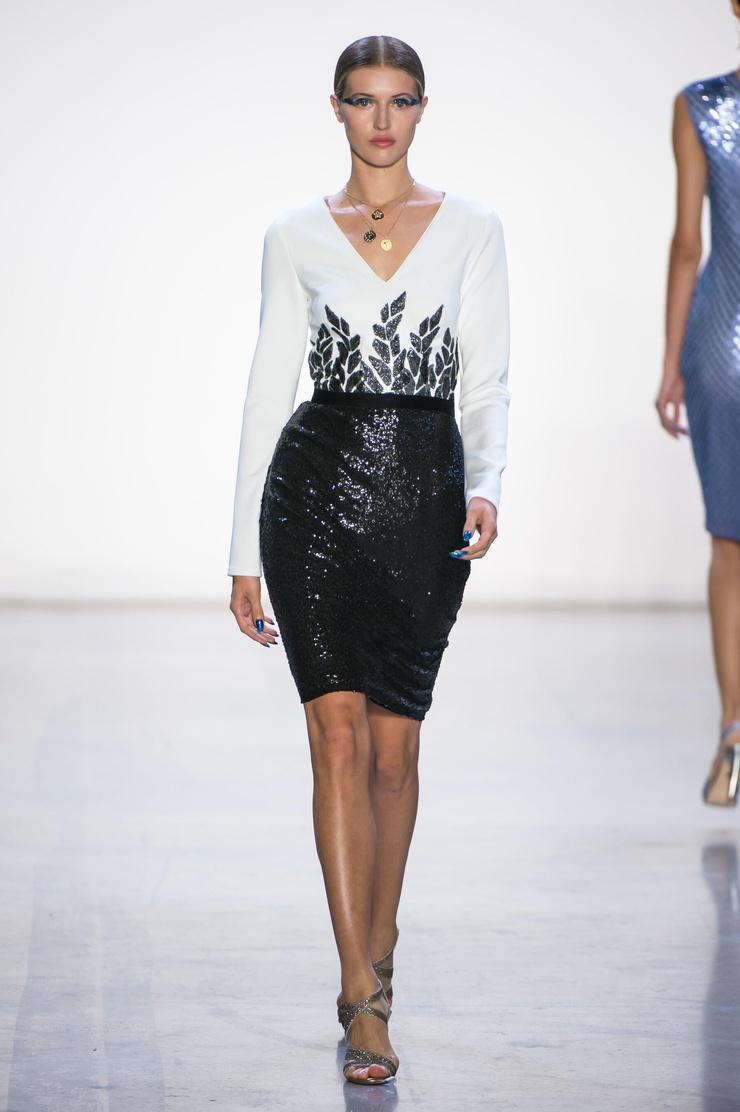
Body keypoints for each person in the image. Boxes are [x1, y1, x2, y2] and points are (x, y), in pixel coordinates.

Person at [228, 35, 509, 1084]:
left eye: (398, 101)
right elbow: (268, 386)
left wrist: (486, 484)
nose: (381, 120)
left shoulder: (473, 228)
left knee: (395, 754)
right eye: (362, 101)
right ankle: (358, 993)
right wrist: (239, 551)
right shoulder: (294, 234)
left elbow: (488, 380)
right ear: (337, 108)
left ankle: (379, 953)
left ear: (422, 109)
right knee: (335, 740)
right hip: (311, 495)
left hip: (421, 498)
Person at [656, 2, 740, 807]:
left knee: (730, 544)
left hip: (722, 343)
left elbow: (689, 243)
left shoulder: (701, 105)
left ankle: (733, 740)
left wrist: (671, 362)